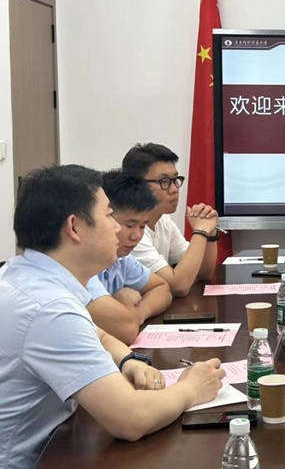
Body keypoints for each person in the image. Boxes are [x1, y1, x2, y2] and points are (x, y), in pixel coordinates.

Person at [0, 165, 225, 469]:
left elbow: (99, 335)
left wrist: (128, 360)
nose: (118, 229)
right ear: (74, 227)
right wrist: (191, 388)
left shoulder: (24, 274)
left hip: (61, 445)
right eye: (109, 216)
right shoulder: (50, 309)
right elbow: (130, 419)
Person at [85, 170, 173, 344]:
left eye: (142, 226)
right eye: (129, 225)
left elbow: (162, 288)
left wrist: (138, 313)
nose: (136, 236)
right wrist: (124, 306)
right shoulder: (83, 264)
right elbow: (125, 329)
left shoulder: (122, 258)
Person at [122, 143, 219, 296]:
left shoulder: (163, 221)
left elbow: (204, 272)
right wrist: (200, 231)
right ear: (137, 185)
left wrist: (210, 233)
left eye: (175, 180)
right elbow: (178, 286)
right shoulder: (131, 233)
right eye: (164, 182)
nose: (174, 189)